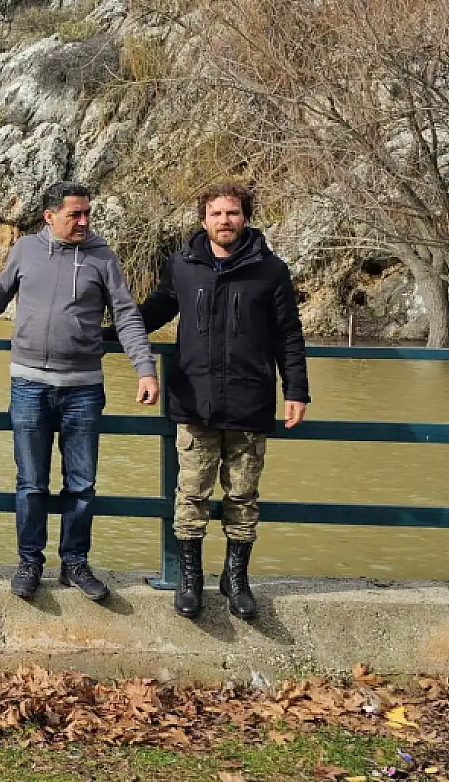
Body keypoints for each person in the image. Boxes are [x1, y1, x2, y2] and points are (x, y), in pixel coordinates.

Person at [0, 181, 159, 604]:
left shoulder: (102, 256)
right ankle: (29, 563)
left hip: (83, 390)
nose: (84, 221)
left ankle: (75, 563)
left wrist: (145, 371)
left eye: (87, 214)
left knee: (81, 484)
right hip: (28, 385)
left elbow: (128, 316)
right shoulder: (25, 251)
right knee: (31, 483)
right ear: (49, 216)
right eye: (75, 214)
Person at [139, 182, 309, 621]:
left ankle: (236, 579)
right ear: (204, 220)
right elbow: (155, 310)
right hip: (194, 401)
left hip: (249, 401)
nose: (225, 221)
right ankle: (189, 577)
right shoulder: (183, 265)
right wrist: (105, 332)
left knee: (243, 496)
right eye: (216, 214)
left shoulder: (270, 271)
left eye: (232, 213)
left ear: (245, 218)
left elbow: (288, 334)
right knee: (191, 494)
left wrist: (296, 390)